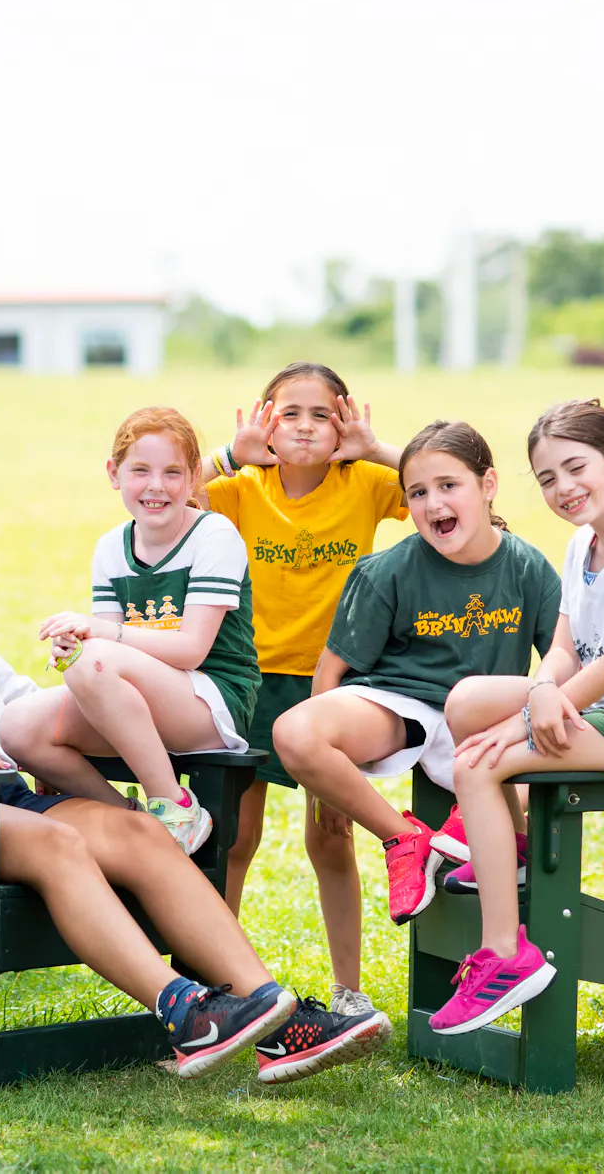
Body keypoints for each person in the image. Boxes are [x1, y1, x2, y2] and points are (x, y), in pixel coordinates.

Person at [0, 467, 384, 1081]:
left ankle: (274, 1018)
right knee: (55, 839)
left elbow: (26, 714)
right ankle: (186, 1012)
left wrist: (99, 689)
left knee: (143, 832)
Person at [427, 399, 604, 1037]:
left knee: (477, 768)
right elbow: (562, 647)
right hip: (601, 706)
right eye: (548, 478)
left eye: (575, 467)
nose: (563, 488)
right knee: (468, 702)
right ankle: (518, 842)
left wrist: (529, 722)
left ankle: (506, 954)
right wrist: (539, 695)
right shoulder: (582, 542)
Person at [273, 420, 562, 945]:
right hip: (398, 706)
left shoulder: (528, 569)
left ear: (488, 485)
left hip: (481, 721)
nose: (433, 505)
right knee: (294, 732)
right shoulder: (389, 570)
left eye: (449, 486)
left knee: (530, 771)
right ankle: (405, 840)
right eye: (418, 493)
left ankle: (510, 943)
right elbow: (331, 672)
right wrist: (327, 792)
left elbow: (563, 665)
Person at [197, 361, 407, 1020]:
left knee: (332, 835)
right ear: (265, 418)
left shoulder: (368, 483)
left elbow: (443, 488)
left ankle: (349, 987)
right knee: (235, 835)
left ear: (344, 418)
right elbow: (171, 493)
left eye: (322, 413)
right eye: (290, 413)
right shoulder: (240, 487)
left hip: (335, 685)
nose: (306, 427)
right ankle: (223, 980)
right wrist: (230, 452)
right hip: (252, 681)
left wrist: (377, 448)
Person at [27, 406, 260, 856]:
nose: (156, 486)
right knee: (20, 727)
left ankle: (175, 807)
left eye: (173, 472)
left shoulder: (215, 535)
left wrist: (97, 638)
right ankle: (130, 819)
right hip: (143, 697)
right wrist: (76, 641)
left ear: (194, 478)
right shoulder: (111, 546)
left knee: (93, 659)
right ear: (114, 474)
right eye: (140, 470)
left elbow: (191, 650)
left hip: (211, 703)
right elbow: (105, 654)